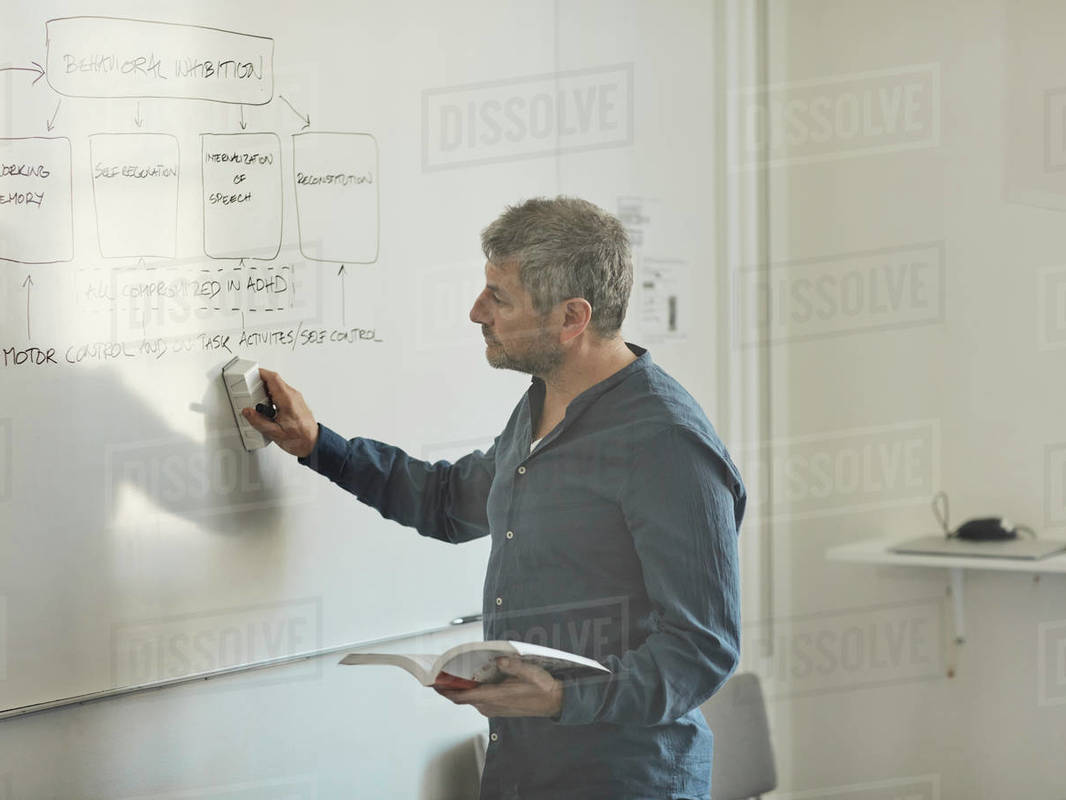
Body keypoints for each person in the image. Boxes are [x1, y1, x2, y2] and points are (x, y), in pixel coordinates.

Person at [243, 196, 744, 799]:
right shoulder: (540, 404)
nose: (476, 312)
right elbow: (448, 500)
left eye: (499, 298)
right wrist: (317, 444)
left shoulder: (666, 443)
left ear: (571, 318)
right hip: (523, 772)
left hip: (623, 780)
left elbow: (701, 650)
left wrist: (562, 696)